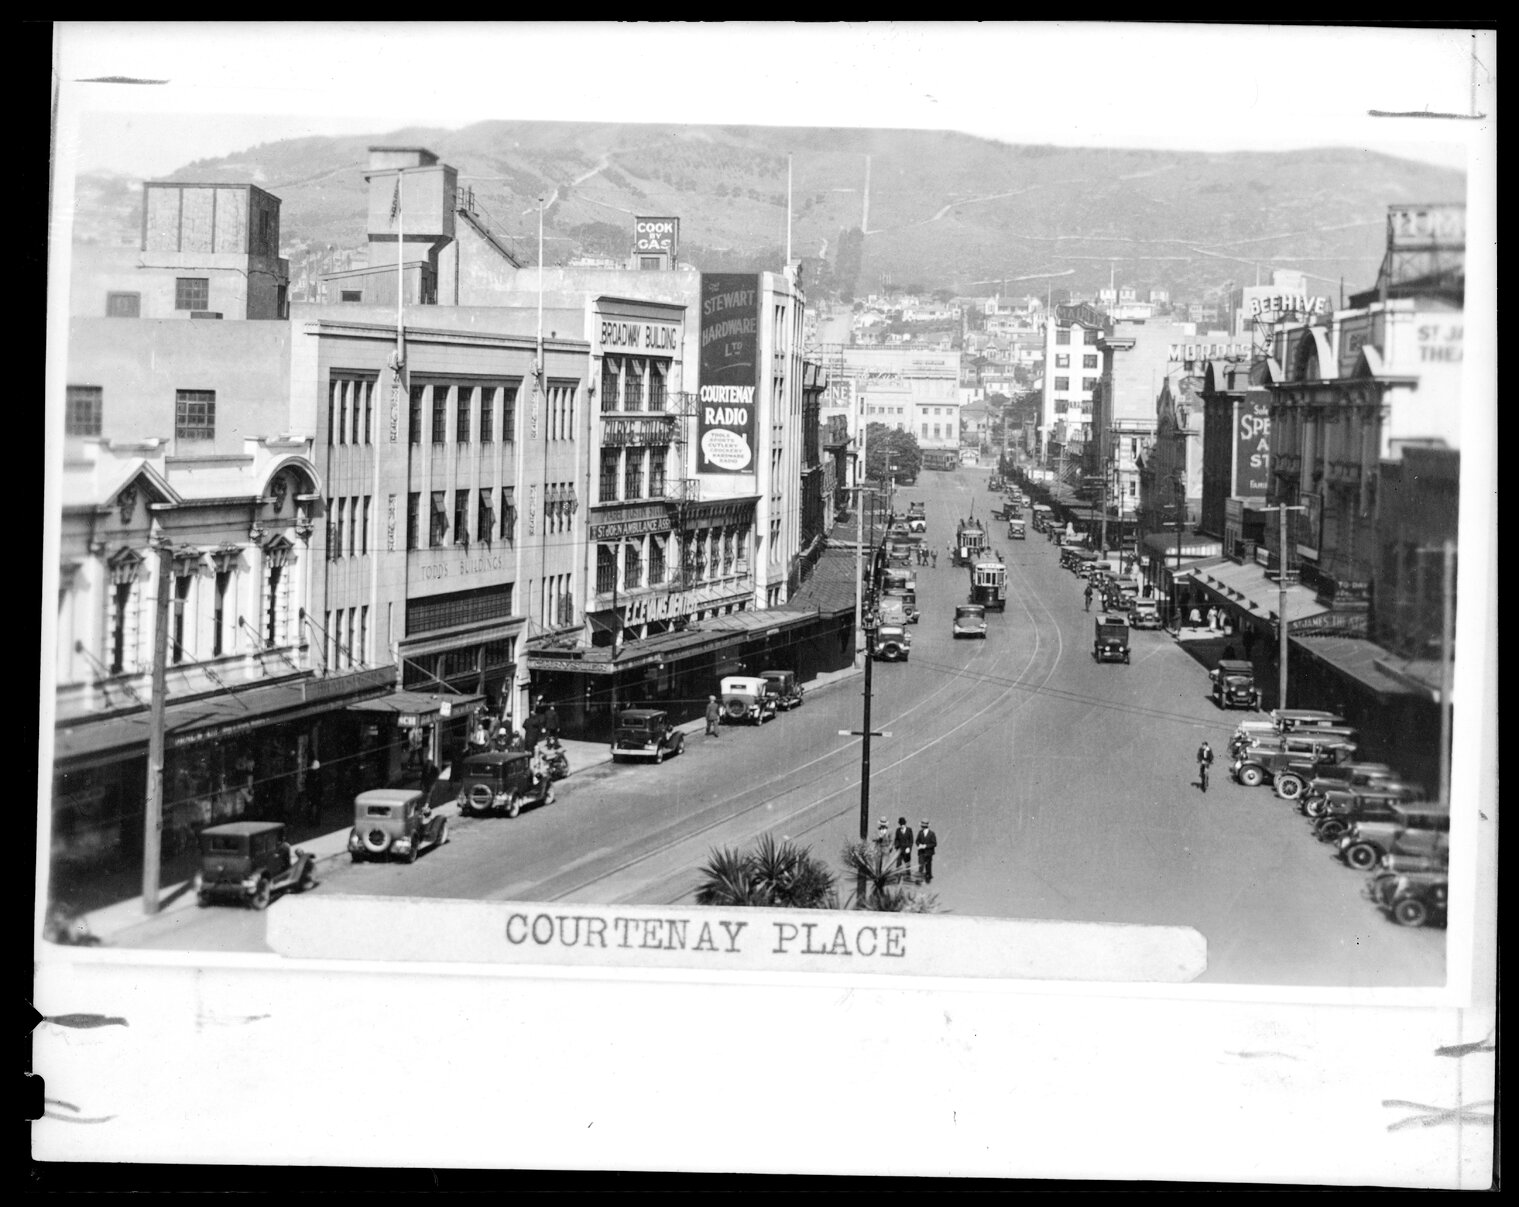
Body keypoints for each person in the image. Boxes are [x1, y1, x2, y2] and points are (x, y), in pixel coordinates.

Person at [915, 819, 938, 884]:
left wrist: (925, 846)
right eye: (923, 826)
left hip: (928, 853)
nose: (923, 827)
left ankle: (928, 879)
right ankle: (919, 879)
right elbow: (917, 841)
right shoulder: (920, 832)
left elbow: (934, 843)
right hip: (921, 852)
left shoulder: (932, 833)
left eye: (924, 826)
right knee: (921, 866)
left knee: (928, 866)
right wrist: (919, 845)